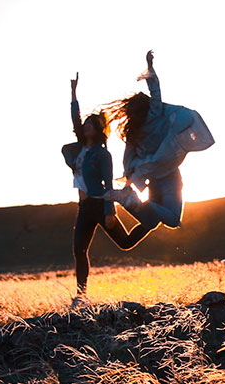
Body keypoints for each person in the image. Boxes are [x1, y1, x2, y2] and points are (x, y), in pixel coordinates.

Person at [101, 50, 215, 248]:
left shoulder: (133, 133)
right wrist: (150, 67)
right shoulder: (154, 114)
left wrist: (130, 177)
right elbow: (156, 92)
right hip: (170, 177)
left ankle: (131, 201)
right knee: (172, 220)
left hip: (153, 179)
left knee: (150, 221)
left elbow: (128, 158)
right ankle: (131, 200)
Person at [62, 72, 130, 302]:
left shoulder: (103, 154)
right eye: (86, 124)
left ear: (98, 129)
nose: (86, 126)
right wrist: (73, 93)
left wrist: (110, 211)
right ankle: (81, 296)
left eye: (91, 124)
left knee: (125, 243)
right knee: (79, 251)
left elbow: (109, 185)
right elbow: (75, 118)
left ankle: (150, 222)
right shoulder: (80, 148)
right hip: (84, 208)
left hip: (100, 204)